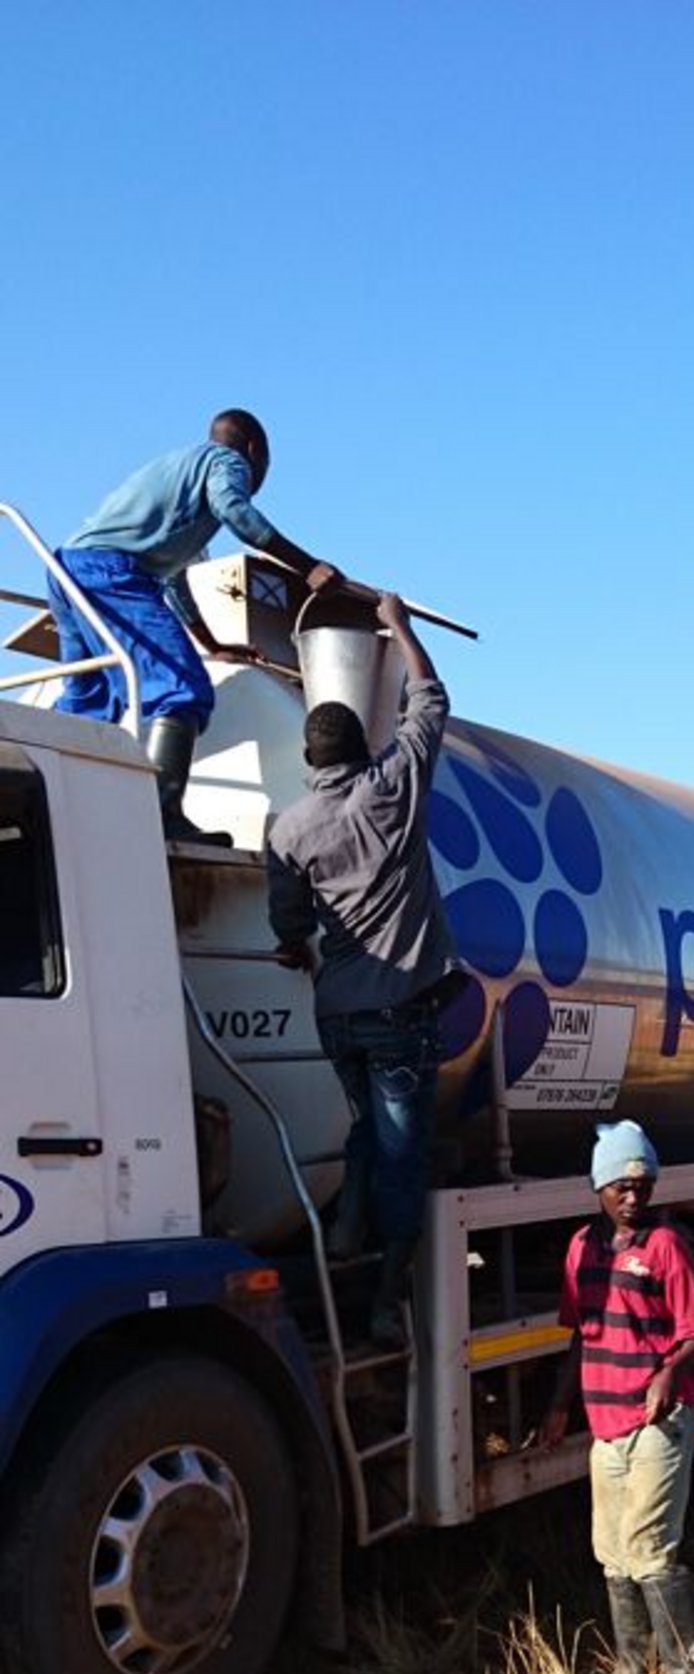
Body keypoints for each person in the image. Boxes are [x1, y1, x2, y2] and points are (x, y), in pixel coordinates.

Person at [266, 594, 456, 1348]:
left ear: (311, 761)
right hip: (400, 1006)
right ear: (357, 750)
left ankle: (346, 1221)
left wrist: (302, 951)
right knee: (404, 1156)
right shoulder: (391, 791)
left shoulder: (287, 828)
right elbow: (431, 703)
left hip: (336, 1010)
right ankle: (384, 1298)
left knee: (367, 1127)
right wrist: (400, 628)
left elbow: (288, 924)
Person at [48, 411, 340, 843]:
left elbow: (176, 583)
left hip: (68, 566)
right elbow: (237, 512)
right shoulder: (225, 462)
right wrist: (308, 566)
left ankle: (52, 807)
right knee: (181, 686)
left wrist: (212, 644)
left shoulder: (180, 481)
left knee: (88, 704)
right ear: (255, 452)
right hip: (110, 572)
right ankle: (161, 816)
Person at [540, 1122, 694, 1674]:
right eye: (622, 1183)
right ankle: (631, 1662)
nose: (634, 1195)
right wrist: (560, 1407)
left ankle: (681, 1672)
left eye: (643, 1183)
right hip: (605, 1421)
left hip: (659, 1418)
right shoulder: (580, 1249)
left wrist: (669, 1373)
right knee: (612, 1550)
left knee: (649, 1545)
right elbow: (578, 1337)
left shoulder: (665, 1246)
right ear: (599, 1186)